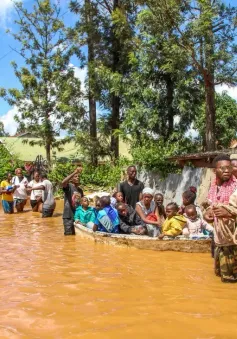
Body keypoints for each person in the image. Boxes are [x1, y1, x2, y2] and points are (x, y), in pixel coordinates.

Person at [204, 154, 237, 283]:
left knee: (230, 280)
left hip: (233, 243)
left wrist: (230, 213)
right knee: (220, 277)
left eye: (229, 167)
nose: (227, 171)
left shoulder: (235, 188)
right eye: (222, 168)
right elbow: (210, 206)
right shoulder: (214, 187)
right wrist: (208, 215)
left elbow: (230, 209)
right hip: (220, 240)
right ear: (214, 170)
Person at [61, 166, 83, 235]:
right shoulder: (69, 186)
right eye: (75, 176)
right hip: (68, 216)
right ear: (71, 179)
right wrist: (75, 172)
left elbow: (81, 203)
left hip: (77, 216)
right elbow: (63, 182)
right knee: (68, 236)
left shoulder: (80, 190)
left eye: (78, 176)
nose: (77, 177)